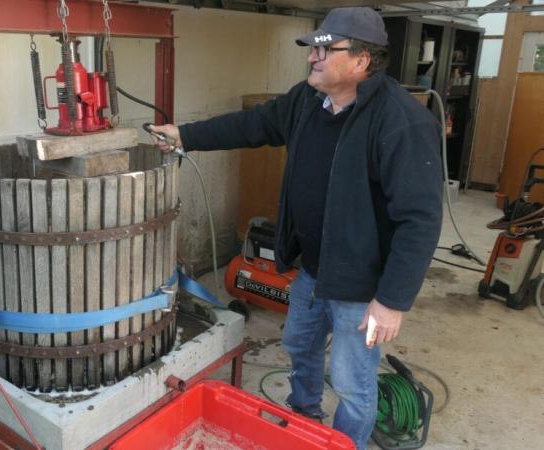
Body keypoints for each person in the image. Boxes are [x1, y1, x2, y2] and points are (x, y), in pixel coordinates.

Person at [149, 6, 442, 449]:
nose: (312, 58)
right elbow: (253, 124)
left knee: (351, 380)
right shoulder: (307, 101)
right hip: (312, 268)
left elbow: (420, 220)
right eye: (313, 48)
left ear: (362, 60)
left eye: (326, 49)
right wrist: (185, 135)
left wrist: (391, 301)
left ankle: (346, 444)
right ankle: (306, 423)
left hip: (361, 286)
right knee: (299, 347)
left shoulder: (400, 121)